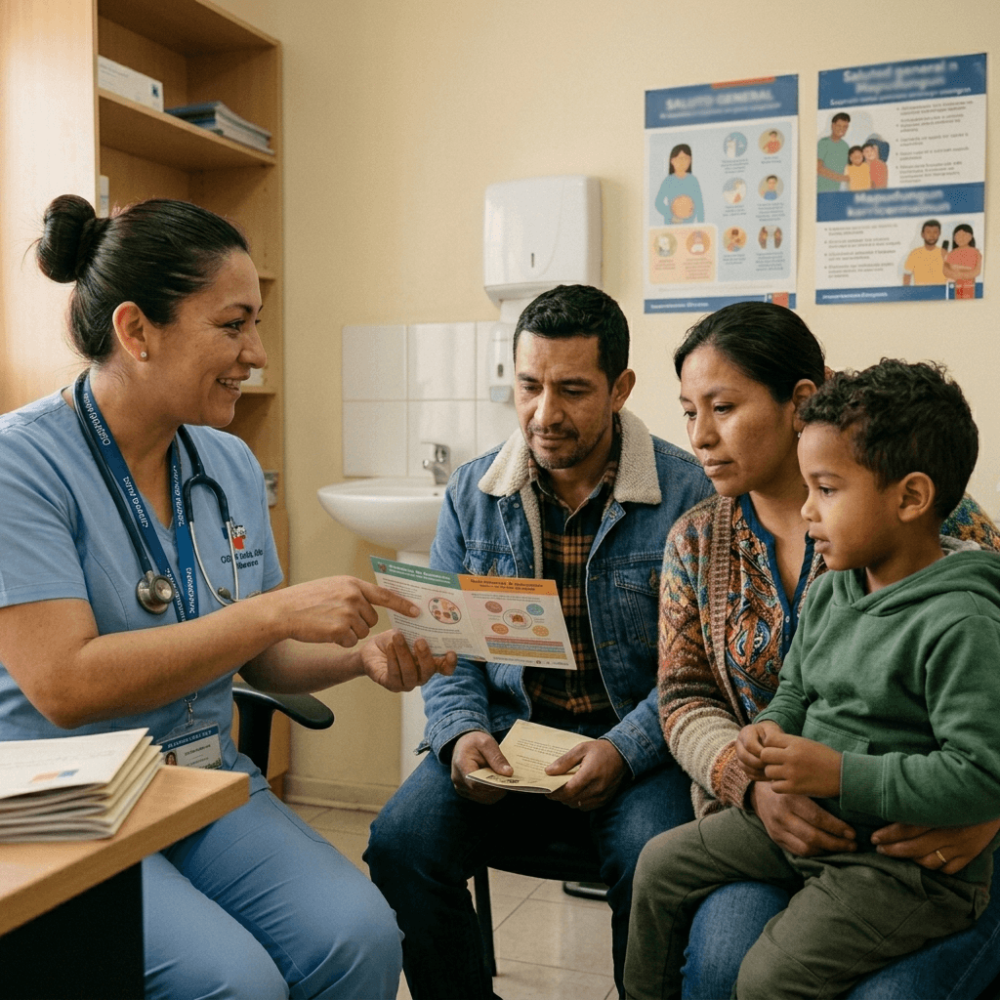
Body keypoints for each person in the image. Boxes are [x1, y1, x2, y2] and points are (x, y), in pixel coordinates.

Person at [0, 194, 458, 1000]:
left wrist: (357, 657)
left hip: (205, 784)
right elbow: (63, 685)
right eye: (234, 324)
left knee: (361, 935)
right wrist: (273, 611)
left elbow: (263, 655)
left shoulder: (228, 464)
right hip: (67, 808)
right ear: (137, 332)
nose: (258, 353)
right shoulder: (22, 468)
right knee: (234, 982)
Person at [622, 301, 1000, 1000]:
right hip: (781, 808)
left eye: (724, 407)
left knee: (770, 979)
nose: (701, 437)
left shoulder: (952, 561)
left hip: (901, 848)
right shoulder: (724, 547)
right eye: (687, 412)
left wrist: (983, 806)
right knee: (667, 883)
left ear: (799, 402)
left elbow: (978, 756)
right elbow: (700, 697)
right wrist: (755, 758)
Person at [365, 284, 714, 999]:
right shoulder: (473, 493)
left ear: (620, 388)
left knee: (654, 865)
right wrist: (461, 735)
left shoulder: (690, 495)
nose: (544, 414)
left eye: (573, 390)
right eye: (528, 386)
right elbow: (445, 648)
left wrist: (623, 750)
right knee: (399, 845)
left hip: (634, 748)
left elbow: (698, 669)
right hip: (504, 734)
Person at [654, 144, 705, 224]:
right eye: (680, 159)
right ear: (672, 161)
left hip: (689, 225)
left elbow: (699, 204)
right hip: (671, 225)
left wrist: (701, 224)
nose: (682, 162)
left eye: (686, 159)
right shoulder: (668, 181)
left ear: (690, 161)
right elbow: (658, 203)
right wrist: (671, 216)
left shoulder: (693, 181)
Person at [944, 223, 982, 299]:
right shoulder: (951, 254)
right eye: (958, 236)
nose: (961, 238)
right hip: (953, 286)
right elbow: (945, 269)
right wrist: (957, 273)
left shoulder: (976, 253)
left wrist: (959, 272)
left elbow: (977, 270)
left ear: (970, 237)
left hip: (969, 285)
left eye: (964, 235)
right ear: (954, 238)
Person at [903, 219, 946, 285]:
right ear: (922, 234)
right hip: (920, 293)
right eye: (928, 232)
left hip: (941, 292)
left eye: (935, 232)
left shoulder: (944, 253)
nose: (932, 235)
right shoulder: (915, 254)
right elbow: (907, 276)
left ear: (939, 234)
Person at [817, 112, 851, 191]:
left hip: (836, 191)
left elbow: (848, 169)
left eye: (845, 127)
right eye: (839, 126)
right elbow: (818, 168)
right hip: (821, 191)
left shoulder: (845, 146)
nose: (842, 129)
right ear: (833, 126)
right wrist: (842, 178)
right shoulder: (823, 143)